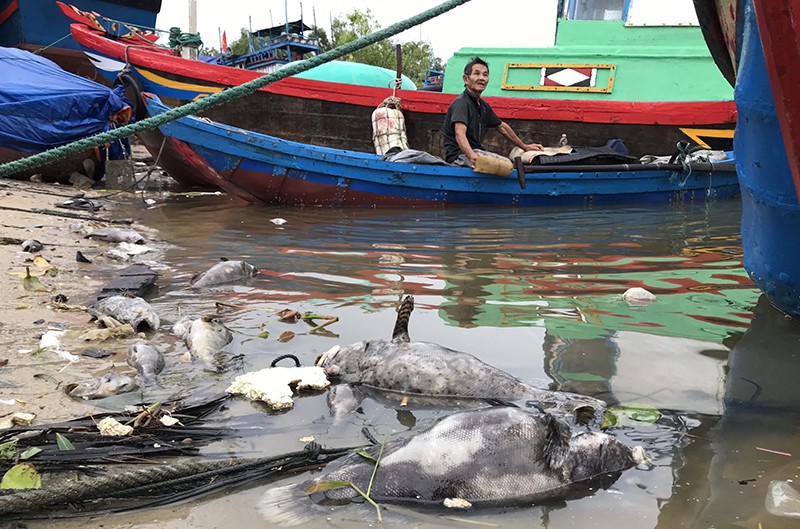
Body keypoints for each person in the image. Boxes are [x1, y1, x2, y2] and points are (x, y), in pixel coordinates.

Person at [442, 56, 543, 167]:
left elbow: (503, 128)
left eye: (485, 75)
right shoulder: (461, 103)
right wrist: (472, 156)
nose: (482, 78)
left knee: (512, 164)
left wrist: (525, 146)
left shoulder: (483, 106)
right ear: (466, 79)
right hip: (460, 157)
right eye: (477, 74)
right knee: (507, 165)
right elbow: (459, 133)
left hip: (476, 152)